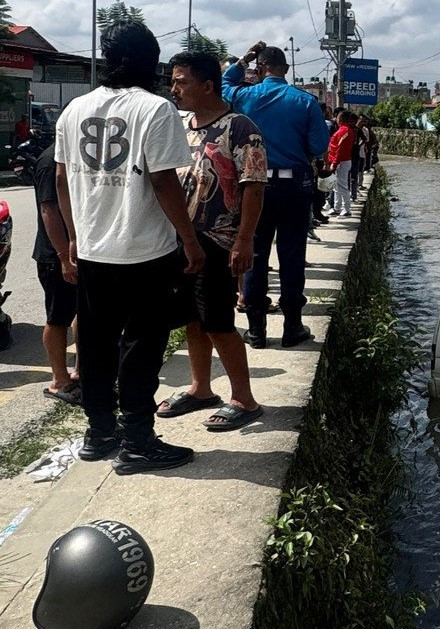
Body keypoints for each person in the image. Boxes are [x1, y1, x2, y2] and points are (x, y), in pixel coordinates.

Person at [54, 21, 204, 474]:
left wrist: (76, 235)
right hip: (145, 254)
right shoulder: (155, 110)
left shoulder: (73, 110)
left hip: (95, 251)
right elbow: (163, 181)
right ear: (148, 60)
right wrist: (190, 239)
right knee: (141, 346)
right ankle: (138, 440)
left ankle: (99, 433)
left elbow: (61, 179)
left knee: (95, 345)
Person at [157, 51, 266, 431]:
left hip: (220, 241)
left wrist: (244, 240)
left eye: (181, 81)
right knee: (192, 318)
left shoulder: (240, 128)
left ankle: (244, 399)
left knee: (218, 320)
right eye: (173, 81)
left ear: (207, 85)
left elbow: (253, 187)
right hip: (183, 240)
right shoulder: (180, 125)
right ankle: (200, 388)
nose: (174, 89)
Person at [223, 42, 329, 349]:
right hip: (295, 185)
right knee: (292, 254)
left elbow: (223, 83)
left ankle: (256, 330)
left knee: (255, 254)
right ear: (285, 69)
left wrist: (244, 58)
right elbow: (319, 146)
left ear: (260, 70)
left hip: (254, 184)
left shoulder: (244, 96)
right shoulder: (305, 102)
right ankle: (292, 327)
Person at [33, 142, 81, 406]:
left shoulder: (71, 156)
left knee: (82, 312)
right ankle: (58, 380)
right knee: (58, 317)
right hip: (56, 255)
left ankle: (79, 372)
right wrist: (64, 257)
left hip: (78, 252)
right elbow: (48, 210)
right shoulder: (50, 160)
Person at [327, 110, 356, 218]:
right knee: (337, 185)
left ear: (341, 119)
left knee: (342, 185)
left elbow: (340, 149)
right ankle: (337, 207)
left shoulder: (344, 131)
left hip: (341, 161)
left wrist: (335, 162)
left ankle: (346, 208)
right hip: (341, 160)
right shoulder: (346, 130)